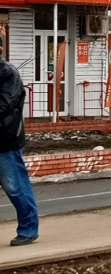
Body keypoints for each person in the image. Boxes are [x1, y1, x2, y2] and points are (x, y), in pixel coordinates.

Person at [0, 35, 36, 245]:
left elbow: (3, 105)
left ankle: (29, 229)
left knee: (15, 187)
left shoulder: (8, 73)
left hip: (5, 140)